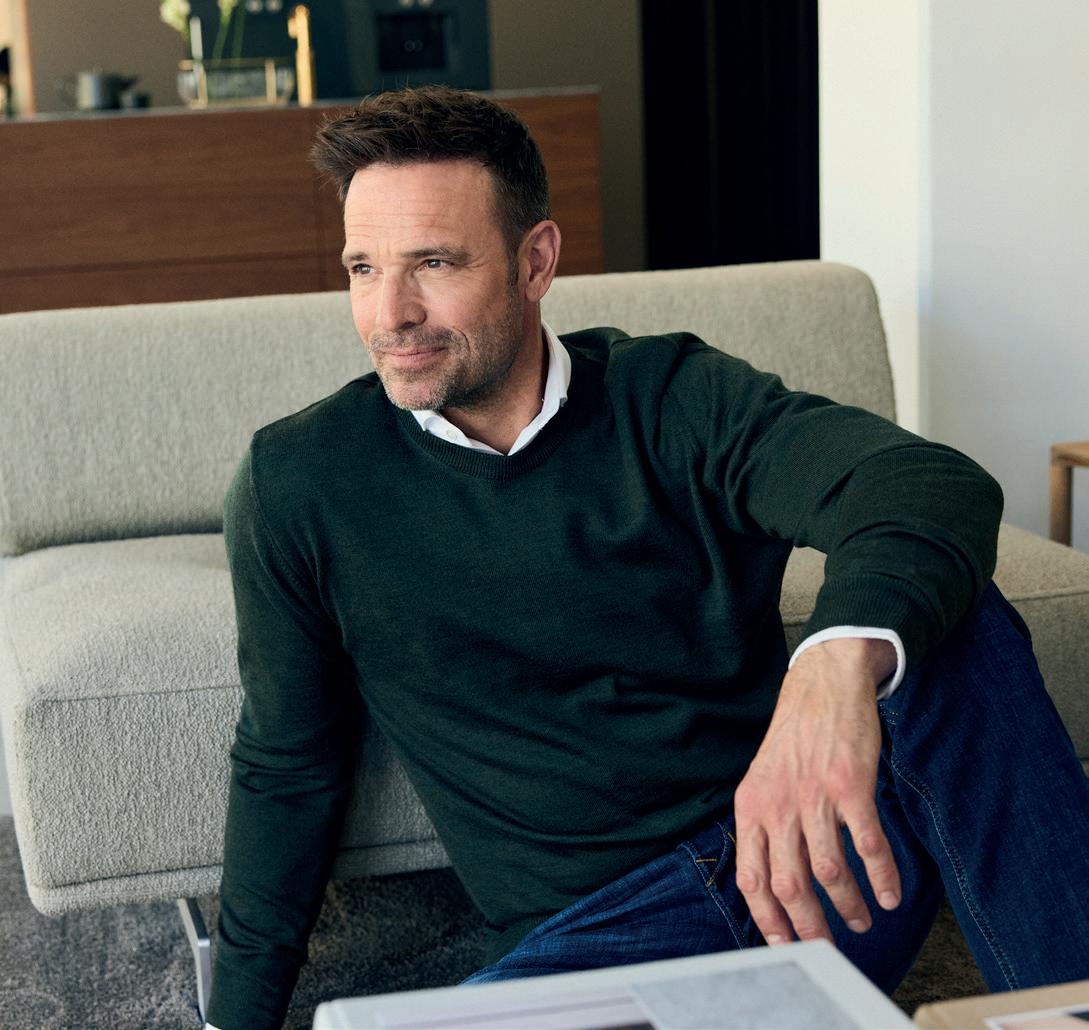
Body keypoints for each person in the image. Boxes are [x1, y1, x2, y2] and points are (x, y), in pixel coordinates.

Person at [203, 85, 1089, 1030]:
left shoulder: (671, 397)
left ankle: (1066, 1009)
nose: (392, 311)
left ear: (535, 260)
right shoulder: (299, 480)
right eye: (363, 267)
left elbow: (921, 482)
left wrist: (830, 663)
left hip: (804, 870)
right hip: (599, 933)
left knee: (946, 624)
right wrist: (233, 1019)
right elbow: (286, 766)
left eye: (434, 262)